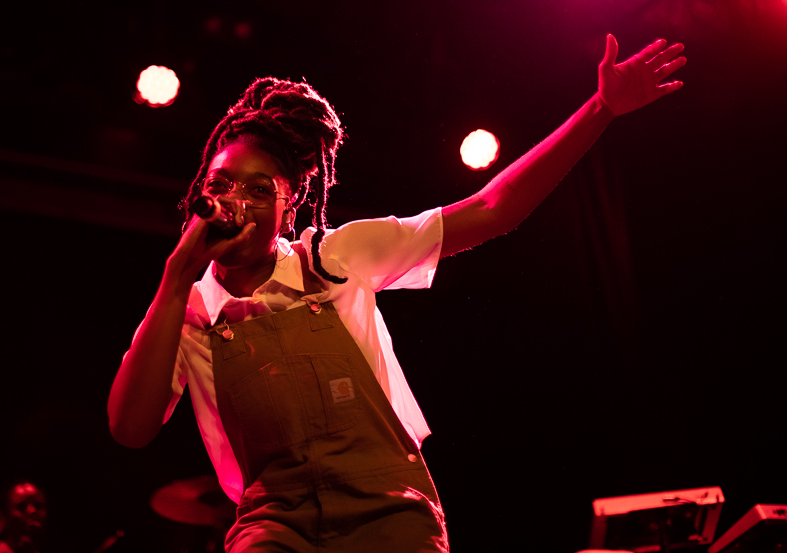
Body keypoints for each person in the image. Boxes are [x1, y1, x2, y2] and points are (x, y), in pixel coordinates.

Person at [108, 34, 685, 552]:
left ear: (289, 208)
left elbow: (494, 209)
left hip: (389, 512)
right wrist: (176, 277)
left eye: (260, 190)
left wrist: (601, 109)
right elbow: (130, 429)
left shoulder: (336, 259)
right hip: (274, 524)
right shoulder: (187, 310)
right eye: (221, 184)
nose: (236, 200)